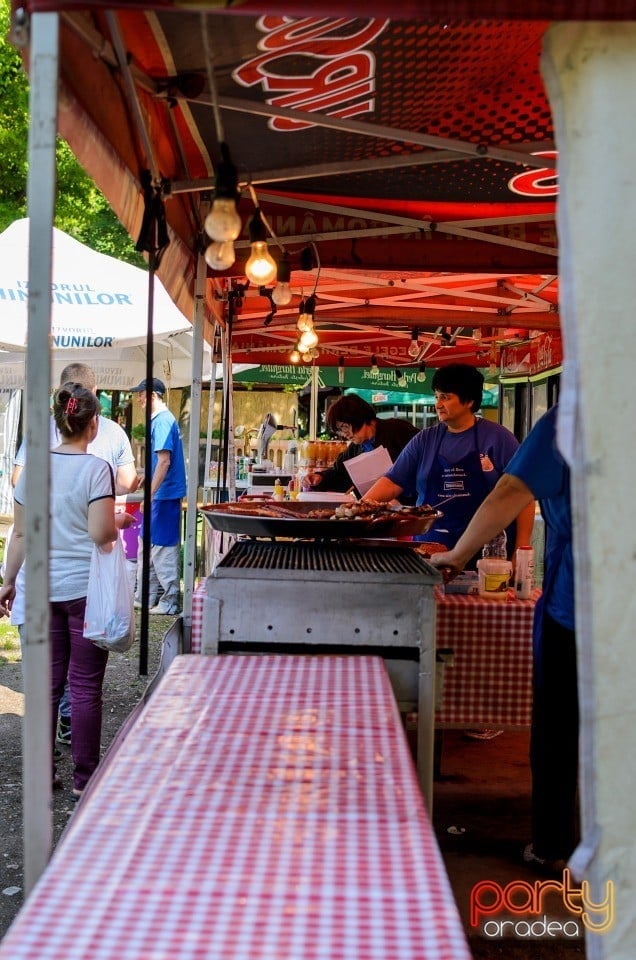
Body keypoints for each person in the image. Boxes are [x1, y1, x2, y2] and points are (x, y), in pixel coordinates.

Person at [429, 404, 576, 873]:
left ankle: (553, 847)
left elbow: (511, 490)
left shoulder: (575, 414)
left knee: (559, 733)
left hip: (584, 607)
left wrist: (458, 554)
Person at [0, 382, 135, 800]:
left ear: (58, 423)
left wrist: (6, 581)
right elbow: (99, 532)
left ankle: (41, 776)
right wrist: (120, 522)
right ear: (94, 424)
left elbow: (20, 534)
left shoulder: (35, 468)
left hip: (37, 588)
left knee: (44, 686)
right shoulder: (98, 469)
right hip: (84, 590)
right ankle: (84, 779)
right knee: (85, 685)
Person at [363, 364, 535, 562]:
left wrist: (521, 548)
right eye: (436, 396)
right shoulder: (424, 440)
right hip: (431, 550)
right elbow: (391, 483)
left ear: (469, 401)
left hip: (488, 553)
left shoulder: (498, 438)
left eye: (445, 397)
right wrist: (354, 514)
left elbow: (523, 495)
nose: (438, 404)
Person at [130, 377, 186, 616]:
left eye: (141, 394)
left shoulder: (163, 420)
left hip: (164, 495)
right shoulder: (161, 419)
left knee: (162, 547)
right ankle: (147, 595)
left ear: (153, 394)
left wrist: (149, 494)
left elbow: (164, 461)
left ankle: (170, 600)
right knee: (149, 545)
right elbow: (160, 462)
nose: (139, 399)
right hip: (162, 493)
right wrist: (146, 475)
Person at [306, 394, 419, 498]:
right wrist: (320, 478)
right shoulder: (354, 449)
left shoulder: (398, 430)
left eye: (345, 426)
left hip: (410, 507)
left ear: (359, 418)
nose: (345, 434)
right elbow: (339, 474)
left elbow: (423, 460)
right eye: (340, 430)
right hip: (376, 511)